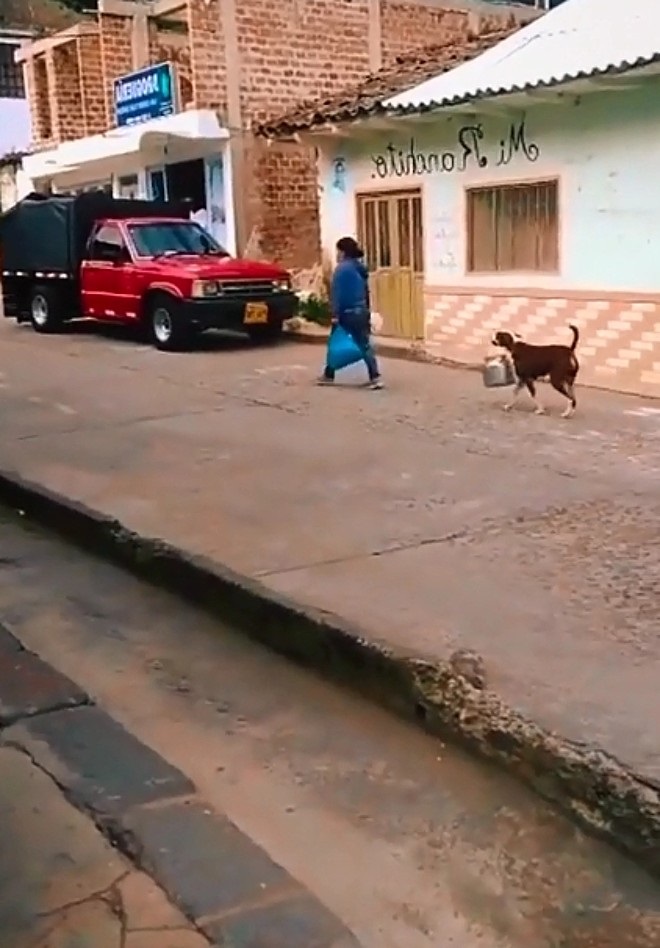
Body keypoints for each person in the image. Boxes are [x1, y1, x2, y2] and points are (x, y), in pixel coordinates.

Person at [318, 236, 383, 390]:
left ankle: (329, 375)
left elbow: (338, 294)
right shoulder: (359, 268)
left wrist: (334, 314)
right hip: (360, 310)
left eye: (338, 251)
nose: (337, 254)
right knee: (364, 344)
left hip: (346, 312)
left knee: (335, 342)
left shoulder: (341, 270)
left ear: (342, 252)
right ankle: (374, 376)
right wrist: (367, 310)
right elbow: (366, 292)